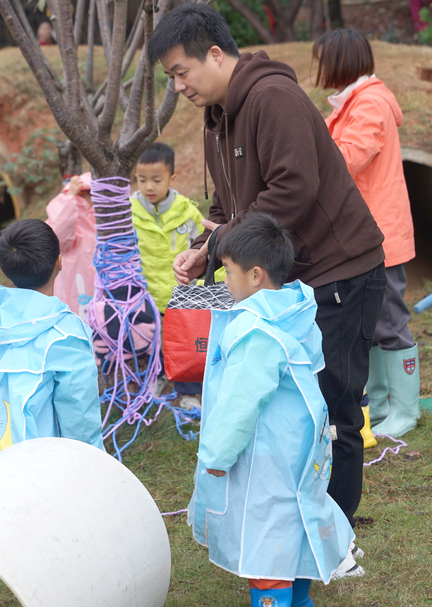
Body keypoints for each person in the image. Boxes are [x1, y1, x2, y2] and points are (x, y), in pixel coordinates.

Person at [150, 4, 386, 574]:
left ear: (214, 53)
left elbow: (291, 191)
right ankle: (302, 533)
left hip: (340, 271)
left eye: (182, 72)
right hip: (289, 282)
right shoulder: (219, 114)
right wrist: (203, 247)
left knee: (331, 413)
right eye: (170, 79)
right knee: (290, 416)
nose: (179, 86)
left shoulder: (271, 97)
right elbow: (227, 209)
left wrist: (221, 240)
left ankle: (336, 545)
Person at [188, 213, 353, 607]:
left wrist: (216, 455)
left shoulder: (255, 332)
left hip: (267, 456)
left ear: (256, 275)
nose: (224, 281)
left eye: (228, 272)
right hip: (298, 449)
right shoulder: (295, 311)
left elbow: (239, 403)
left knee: (264, 546)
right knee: (291, 536)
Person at [318, 30, 419, 438]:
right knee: (371, 321)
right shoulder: (352, 103)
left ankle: (405, 411)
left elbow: (346, 158)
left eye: (322, 60)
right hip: (365, 235)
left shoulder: (370, 103)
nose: (319, 69)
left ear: (339, 62)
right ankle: (379, 405)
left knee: (391, 322)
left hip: (382, 233)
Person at [0, 218, 104, 474]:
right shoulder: (65, 336)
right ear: (59, 261)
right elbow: (80, 418)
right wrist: (94, 472)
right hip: (40, 474)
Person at [130, 142, 216, 409]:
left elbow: (201, 248)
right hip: (145, 294)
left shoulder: (186, 212)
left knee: (183, 344)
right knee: (149, 341)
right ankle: (155, 377)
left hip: (180, 294)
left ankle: (189, 392)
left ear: (172, 178)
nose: (149, 187)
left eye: (157, 180)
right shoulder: (129, 211)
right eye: (142, 180)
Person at [44, 172, 94, 321]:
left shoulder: (96, 221)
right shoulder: (67, 222)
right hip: (75, 291)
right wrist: (70, 199)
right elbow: (59, 237)